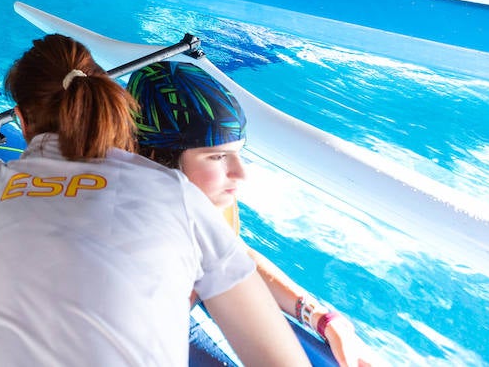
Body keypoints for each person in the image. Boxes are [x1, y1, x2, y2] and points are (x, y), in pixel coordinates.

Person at [0, 34, 305, 367]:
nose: (239, 174)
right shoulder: (173, 193)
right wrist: (317, 316)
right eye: (216, 157)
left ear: (20, 118)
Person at [128, 60, 375, 367]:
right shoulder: (128, 243)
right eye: (217, 156)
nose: (240, 174)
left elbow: (233, 253)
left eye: (238, 153)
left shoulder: (198, 196)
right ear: (159, 159)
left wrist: (318, 316)